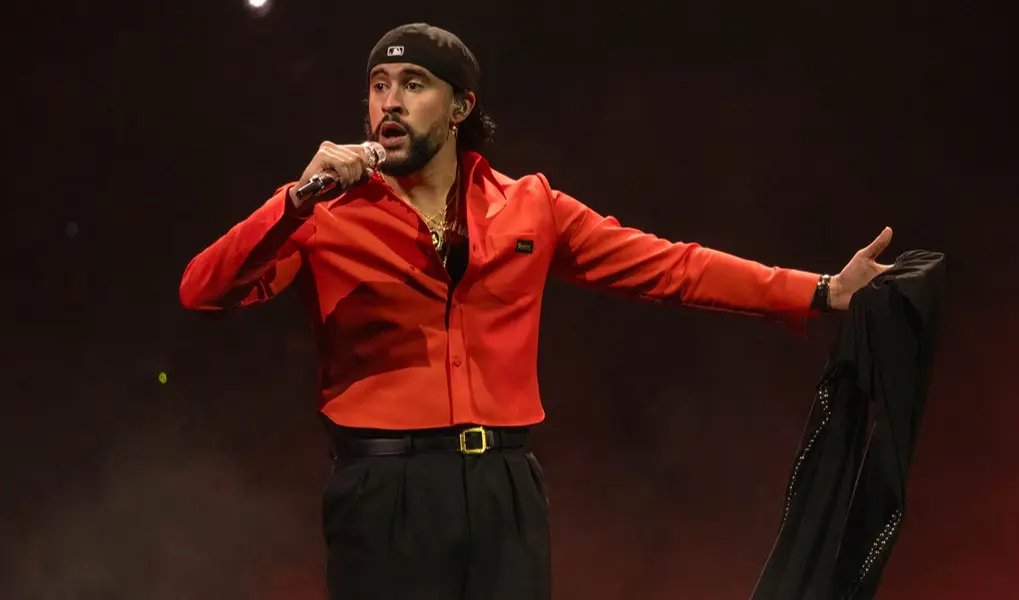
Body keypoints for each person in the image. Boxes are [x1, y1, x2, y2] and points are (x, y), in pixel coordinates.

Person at [179, 22, 895, 600]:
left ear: (460, 107)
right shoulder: (321, 214)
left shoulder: (531, 205)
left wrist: (819, 289)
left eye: (413, 84)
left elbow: (672, 266)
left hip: (505, 487)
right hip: (384, 492)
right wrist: (293, 199)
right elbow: (202, 291)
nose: (388, 103)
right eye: (378, 87)